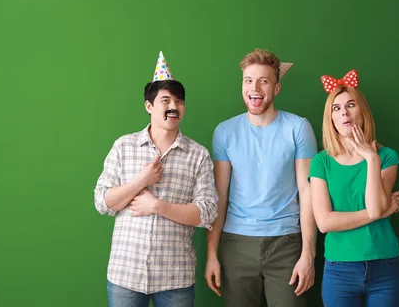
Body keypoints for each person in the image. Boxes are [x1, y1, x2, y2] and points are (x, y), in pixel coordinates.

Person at [94, 51, 218, 307]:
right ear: (149, 106)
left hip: (175, 278)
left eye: (179, 100)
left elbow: (206, 213)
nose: (174, 106)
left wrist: (158, 207)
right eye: (166, 100)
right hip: (125, 274)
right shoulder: (123, 146)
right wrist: (140, 181)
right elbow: (103, 202)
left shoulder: (198, 155)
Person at [205, 48, 318, 307]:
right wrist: (212, 253)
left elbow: (307, 190)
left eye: (263, 81)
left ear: (276, 88)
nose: (254, 88)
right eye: (248, 80)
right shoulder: (225, 132)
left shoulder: (298, 127)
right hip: (236, 244)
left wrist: (308, 255)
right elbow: (219, 196)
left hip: (287, 243)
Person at [309, 69, 399, 307]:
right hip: (339, 270)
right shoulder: (321, 162)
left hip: (385, 267)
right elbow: (324, 222)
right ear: (330, 118)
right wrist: (381, 211)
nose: (344, 113)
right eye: (337, 108)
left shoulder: (386, 157)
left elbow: (375, 206)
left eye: (350, 105)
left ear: (362, 110)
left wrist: (371, 159)